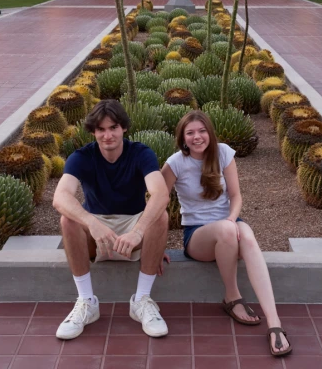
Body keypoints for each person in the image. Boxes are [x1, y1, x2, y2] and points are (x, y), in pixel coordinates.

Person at [161, 110, 292, 357]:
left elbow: (236, 196)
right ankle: (232, 297)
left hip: (228, 224)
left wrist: (232, 219)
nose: (197, 137)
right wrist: (155, 247)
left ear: (209, 133)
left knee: (249, 238)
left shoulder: (223, 152)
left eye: (202, 131)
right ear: (182, 137)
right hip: (197, 236)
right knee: (228, 230)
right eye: (190, 133)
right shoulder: (175, 162)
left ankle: (275, 324)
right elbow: (158, 203)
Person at [53, 101, 171, 340]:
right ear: (93, 132)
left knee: (161, 216)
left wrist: (138, 232)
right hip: (96, 228)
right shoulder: (82, 157)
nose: (107, 135)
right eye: (101, 129)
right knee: (68, 221)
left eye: (113, 127)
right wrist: (93, 224)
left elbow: (161, 194)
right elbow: (60, 197)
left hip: (132, 226)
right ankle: (87, 302)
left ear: (123, 128)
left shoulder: (141, 153)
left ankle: (141, 301)